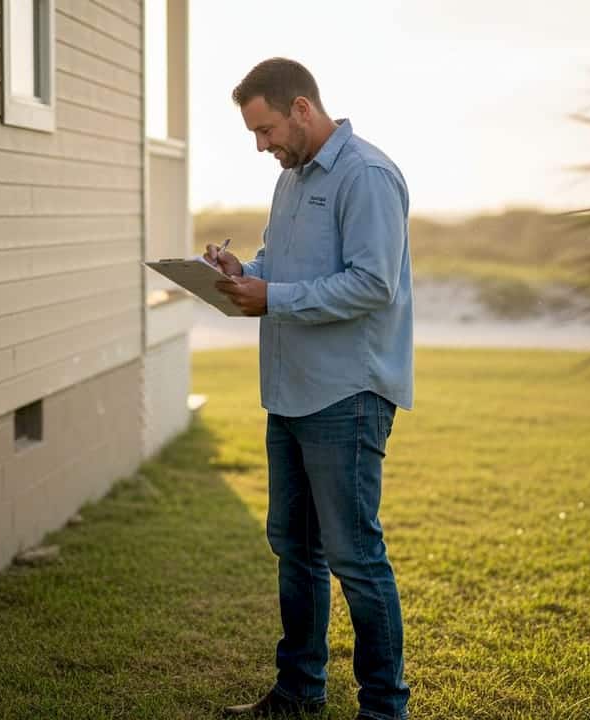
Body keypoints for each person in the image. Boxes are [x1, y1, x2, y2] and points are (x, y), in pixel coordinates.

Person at [208, 58, 413, 720]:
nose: (261, 145)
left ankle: (385, 709)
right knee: (296, 552)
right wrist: (246, 271)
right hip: (289, 395)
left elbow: (372, 283)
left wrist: (273, 295)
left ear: (302, 108)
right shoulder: (291, 180)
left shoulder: (368, 176)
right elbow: (284, 267)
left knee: (355, 559)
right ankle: (299, 691)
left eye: (265, 129)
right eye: (253, 135)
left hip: (346, 397)